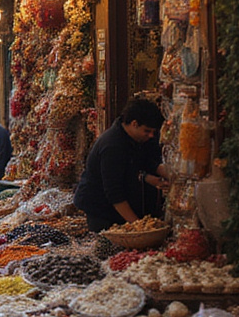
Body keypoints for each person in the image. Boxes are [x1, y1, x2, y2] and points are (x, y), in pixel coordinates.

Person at [73, 98, 173, 232]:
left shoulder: (133, 137)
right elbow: (114, 192)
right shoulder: (112, 146)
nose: (150, 136)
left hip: (118, 205)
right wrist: (139, 226)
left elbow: (142, 162)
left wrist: (166, 173)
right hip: (102, 210)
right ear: (134, 124)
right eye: (147, 131)